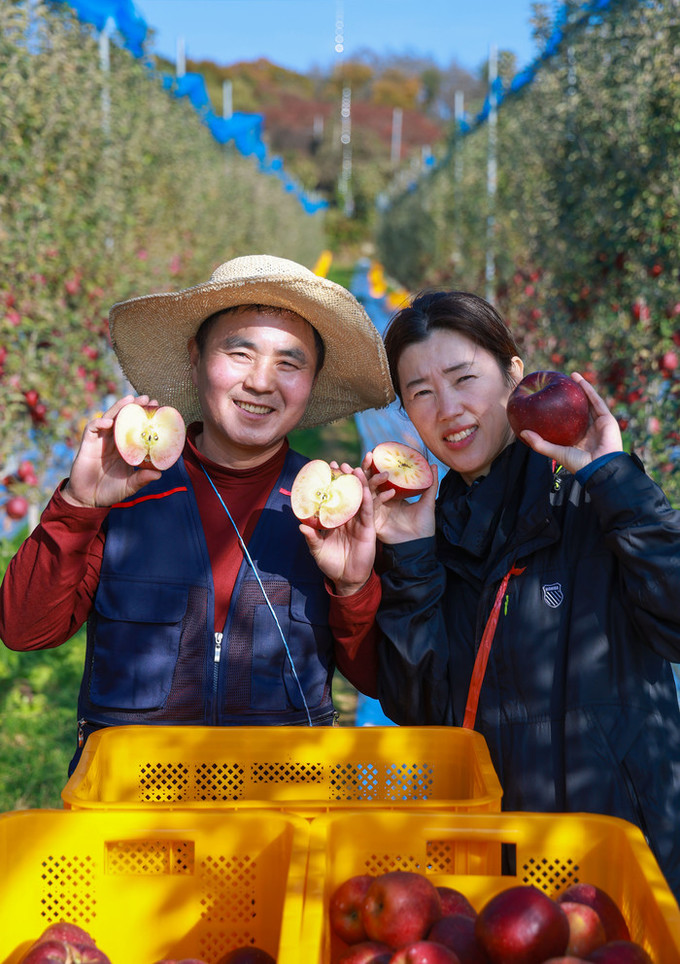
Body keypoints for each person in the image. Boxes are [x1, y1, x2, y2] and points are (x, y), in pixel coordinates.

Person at [0, 254, 393, 771]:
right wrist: (77, 508)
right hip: (133, 811)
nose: (260, 382)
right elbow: (25, 630)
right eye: (240, 353)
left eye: (289, 363)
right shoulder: (126, 491)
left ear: (313, 380)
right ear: (195, 357)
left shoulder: (334, 513)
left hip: (280, 813)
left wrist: (352, 589)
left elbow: (375, 681)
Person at [366, 288, 680, 901]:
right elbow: (416, 708)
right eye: (422, 393)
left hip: (619, 859)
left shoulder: (593, 503)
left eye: (464, 378)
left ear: (514, 373)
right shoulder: (426, 534)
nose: (449, 409)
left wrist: (613, 477)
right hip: (493, 875)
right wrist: (409, 560)